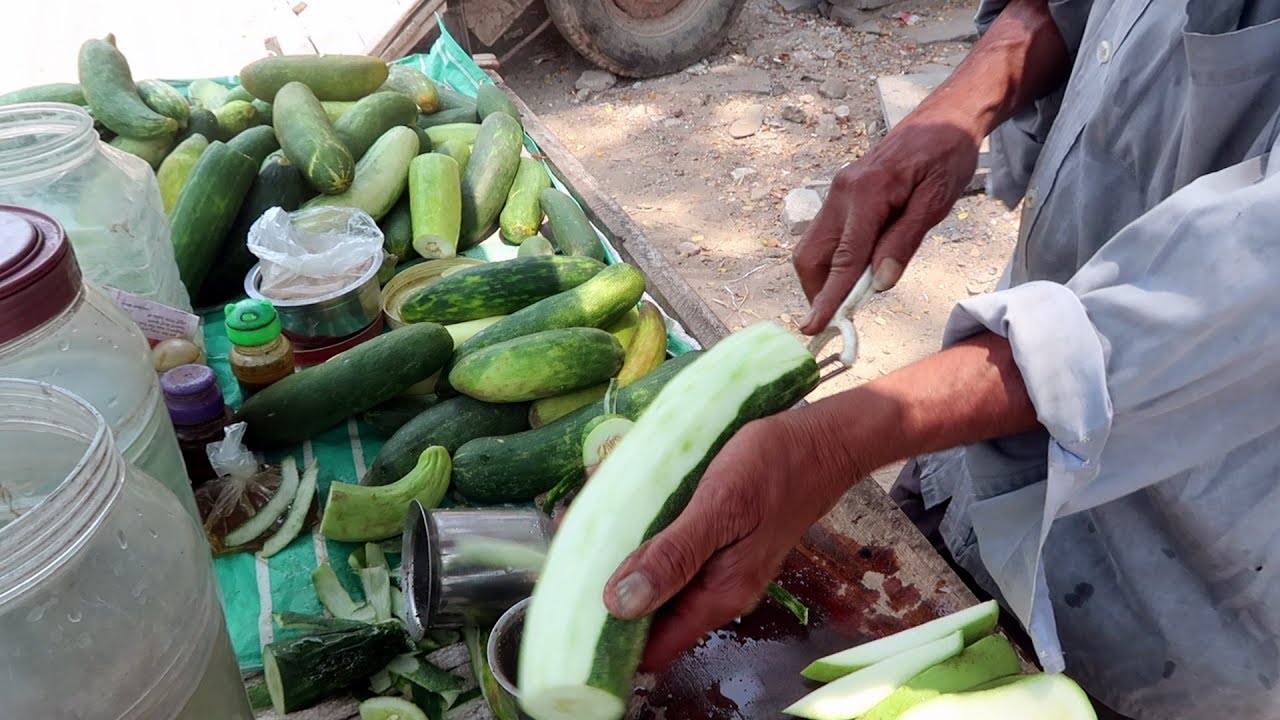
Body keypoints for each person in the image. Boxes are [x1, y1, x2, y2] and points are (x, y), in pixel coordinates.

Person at [599, 1, 1280, 718]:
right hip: (972, 443)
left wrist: (832, 442)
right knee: (895, 594)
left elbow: (1232, 296)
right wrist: (961, 106)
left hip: (1176, 586)